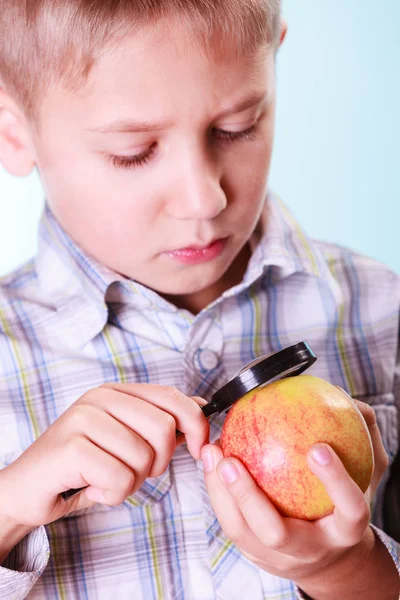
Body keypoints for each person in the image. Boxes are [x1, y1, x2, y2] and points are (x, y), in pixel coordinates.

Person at [0, 1, 398, 598]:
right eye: (133, 151)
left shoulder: (381, 312)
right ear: (13, 132)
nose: (204, 198)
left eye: (237, 126)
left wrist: (341, 571)